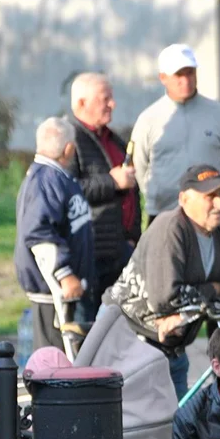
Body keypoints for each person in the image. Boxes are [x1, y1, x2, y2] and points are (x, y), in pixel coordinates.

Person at [104, 164, 220, 399]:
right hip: (127, 341)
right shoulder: (169, 227)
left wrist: (183, 315)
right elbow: (165, 299)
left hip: (173, 343)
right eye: (210, 196)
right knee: (140, 428)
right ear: (184, 199)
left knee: (178, 427)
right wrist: (213, 289)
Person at [130, 44, 220, 225]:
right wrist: (156, 194)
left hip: (208, 213)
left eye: (190, 73)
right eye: (179, 75)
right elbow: (140, 166)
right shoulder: (148, 119)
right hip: (163, 214)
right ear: (163, 78)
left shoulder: (219, 114)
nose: (185, 80)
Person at [16, 117, 96, 350]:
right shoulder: (46, 181)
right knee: (60, 360)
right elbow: (38, 232)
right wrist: (64, 274)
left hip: (68, 290)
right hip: (55, 294)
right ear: (69, 148)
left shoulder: (56, 177)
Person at [67, 72, 140, 303]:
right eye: (104, 98)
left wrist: (132, 238)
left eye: (111, 97)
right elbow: (66, 191)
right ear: (81, 103)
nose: (112, 104)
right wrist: (111, 182)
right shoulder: (69, 140)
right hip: (90, 253)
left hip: (120, 250)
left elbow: (130, 193)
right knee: (89, 331)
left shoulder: (113, 139)